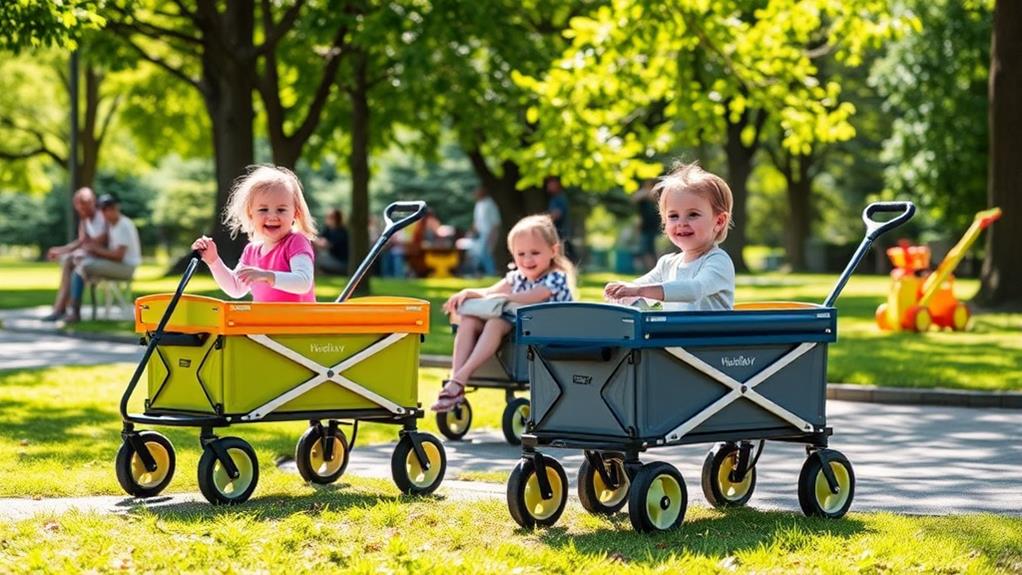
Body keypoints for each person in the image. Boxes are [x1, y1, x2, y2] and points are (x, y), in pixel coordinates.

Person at [432, 214, 575, 412]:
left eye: (535, 252)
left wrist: (504, 299)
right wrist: (469, 293)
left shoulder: (556, 278)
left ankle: (459, 379)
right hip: (519, 332)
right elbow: (491, 291)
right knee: (469, 320)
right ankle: (457, 383)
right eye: (521, 254)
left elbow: (534, 296)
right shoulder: (517, 277)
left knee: (496, 322)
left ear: (553, 251)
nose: (527, 260)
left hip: (544, 335)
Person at [604, 162, 735, 311]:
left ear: (719, 221)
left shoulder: (718, 261)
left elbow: (694, 289)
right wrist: (623, 290)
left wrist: (638, 291)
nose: (681, 223)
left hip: (710, 334)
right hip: (674, 334)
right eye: (673, 216)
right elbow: (639, 286)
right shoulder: (667, 264)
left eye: (693, 214)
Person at [191, 165, 317, 302]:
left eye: (281, 210)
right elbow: (235, 288)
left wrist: (267, 276)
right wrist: (213, 261)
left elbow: (303, 282)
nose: (272, 216)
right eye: (263, 210)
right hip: (263, 322)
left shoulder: (296, 242)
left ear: (295, 213)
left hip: (297, 322)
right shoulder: (251, 251)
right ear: (250, 214)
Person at [63, 194, 142, 323]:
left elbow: (118, 256)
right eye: (103, 210)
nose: (105, 213)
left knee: (84, 267)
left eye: (108, 209)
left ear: (115, 208)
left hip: (126, 267)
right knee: (81, 265)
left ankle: (74, 311)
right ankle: (71, 308)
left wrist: (96, 250)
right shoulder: (112, 226)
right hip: (117, 265)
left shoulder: (123, 225)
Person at [42, 187, 107, 321]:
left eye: (84, 206)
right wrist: (60, 250)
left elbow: (101, 242)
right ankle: (62, 308)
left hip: (104, 257)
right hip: (88, 257)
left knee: (75, 264)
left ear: (92, 202)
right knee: (68, 260)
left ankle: (68, 309)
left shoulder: (103, 217)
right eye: (78, 207)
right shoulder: (85, 220)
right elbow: (81, 241)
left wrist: (83, 249)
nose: (81, 210)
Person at [470, 186, 501, 276]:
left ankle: (491, 272)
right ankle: (484, 272)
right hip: (479, 234)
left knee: (485, 253)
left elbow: (496, 222)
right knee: (479, 254)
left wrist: (493, 235)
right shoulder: (478, 204)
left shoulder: (490, 204)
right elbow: (476, 221)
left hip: (489, 233)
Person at [544, 175, 576, 262]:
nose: (548, 186)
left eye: (551, 184)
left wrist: (542, 221)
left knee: (561, 261)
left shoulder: (559, 198)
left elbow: (556, 214)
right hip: (558, 234)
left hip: (560, 234)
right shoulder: (555, 198)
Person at [635, 179, 661, 270]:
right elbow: (636, 198)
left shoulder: (655, 196)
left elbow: (653, 198)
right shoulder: (643, 196)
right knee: (645, 249)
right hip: (645, 226)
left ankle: (654, 269)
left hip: (654, 226)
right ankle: (649, 269)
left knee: (652, 249)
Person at [314, 208, 349, 275]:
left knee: (316, 257)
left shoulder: (341, 232)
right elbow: (320, 239)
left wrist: (316, 242)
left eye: (330, 217)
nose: (327, 219)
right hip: (332, 259)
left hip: (341, 263)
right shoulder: (328, 229)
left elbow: (326, 245)